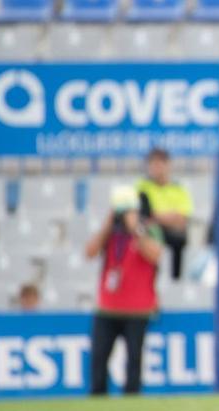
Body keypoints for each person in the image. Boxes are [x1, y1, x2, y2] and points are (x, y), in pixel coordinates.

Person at [85, 185, 163, 395]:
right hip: (107, 308)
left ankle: (132, 397)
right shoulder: (110, 233)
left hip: (138, 309)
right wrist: (107, 225)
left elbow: (155, 255)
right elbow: (89, 252)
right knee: (99, 357)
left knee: (134, 359)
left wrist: (135, 229)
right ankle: (97, 397)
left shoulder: (149, 229)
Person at [137, 148, 193, 280]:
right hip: (149, 230)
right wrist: (169, 216)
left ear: (168, 165)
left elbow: (182, 218)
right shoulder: (142, 186)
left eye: (159, 164)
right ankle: (148, 278)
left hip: (171, 231)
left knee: (179, 238)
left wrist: (155, 216)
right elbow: (141, 214)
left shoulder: (179, 189)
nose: (156, 169)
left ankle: (176, 279)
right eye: (153, 164)